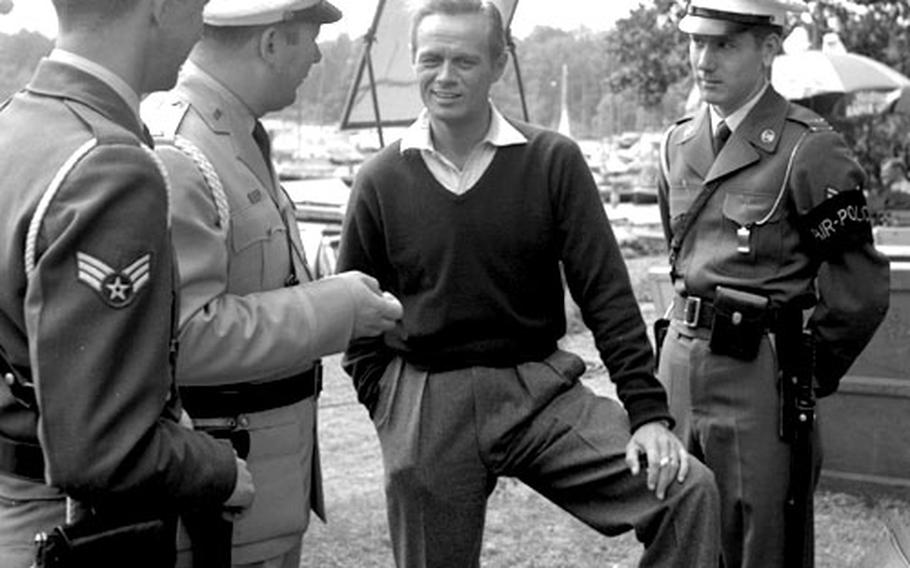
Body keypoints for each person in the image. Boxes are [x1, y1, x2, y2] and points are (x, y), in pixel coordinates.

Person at [337, 1, 721, 566]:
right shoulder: (380, 180)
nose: (445, 77)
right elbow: (357, 319)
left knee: (686, 490)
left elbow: (607, 294)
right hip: (426, 398)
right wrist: (394, 410)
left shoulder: (552, 161)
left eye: (465, 61)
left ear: (498, 64)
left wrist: (649, 416)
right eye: (431, 59)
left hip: (538, 393)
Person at [141, 0, 404, 566]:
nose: (315, 55)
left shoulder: (230, 135)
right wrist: (338, 309)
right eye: (309, 37)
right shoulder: (181, 151)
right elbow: (184, 338)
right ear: (270, 43)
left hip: (258, 488)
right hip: (219, 508)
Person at [0, 0, 256, 567]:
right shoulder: (109, 166)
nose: (200, 28)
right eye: (199, 7)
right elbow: (103, 451)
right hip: (64, 525)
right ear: (161, 8)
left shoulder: (14, 123)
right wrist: (217, 471)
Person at [657, 1, 890, 566]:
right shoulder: (676, 143)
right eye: (697, 43)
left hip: (757, 374)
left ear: (767, 49)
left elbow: (860, 290)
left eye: (725, 45)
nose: (703, 60)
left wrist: (801, 372)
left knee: (759, 538)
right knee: (673, 524)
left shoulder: (809, 150)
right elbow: (680, 259)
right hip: (679, 366)